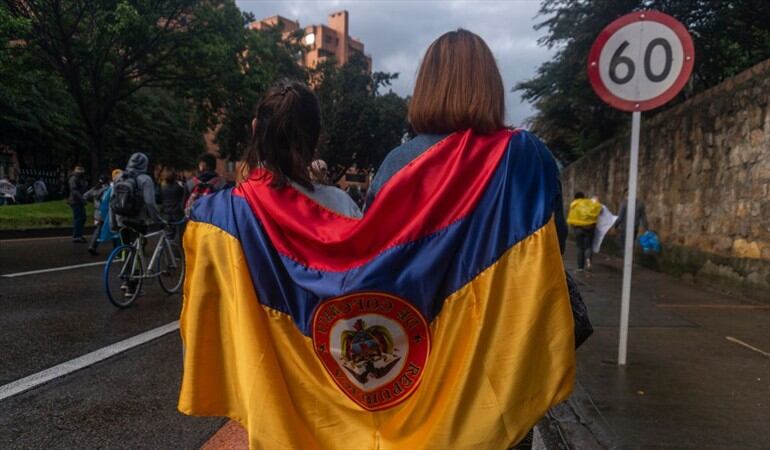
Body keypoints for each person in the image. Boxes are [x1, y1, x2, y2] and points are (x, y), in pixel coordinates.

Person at [179, 32, 575, 450]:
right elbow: (549, 253)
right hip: (497, 368)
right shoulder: (527, 158)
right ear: (491, 86)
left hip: (421, 375)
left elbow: (376, 275)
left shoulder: (398, 164)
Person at [111, 153, 165, 296]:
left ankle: (125, 280)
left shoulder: (119, 177)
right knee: (138, 251)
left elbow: (112, 201)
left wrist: (113, 222)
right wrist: (158, 220)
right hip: (137, 220)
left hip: (121, 220)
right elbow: (150, 203)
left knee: (126, 250)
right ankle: (133, 286)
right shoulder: (145, 179)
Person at [566, 192, 601, 271]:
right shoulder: (589, 203)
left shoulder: (574, 204)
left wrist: (573, 227)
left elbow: (571, 217)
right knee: (588, 246)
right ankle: (588, 261)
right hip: (590, 228)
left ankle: (580, 267)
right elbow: (597, 208)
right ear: (583, 197)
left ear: (575, 198)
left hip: (578, 229)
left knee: (580, 247)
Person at [614, 188, 648, 253]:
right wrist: (646, 228)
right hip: (635, 228)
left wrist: (615, 225)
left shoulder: (624, 203)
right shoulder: (640, 204)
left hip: (624, 228)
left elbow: (620, 218)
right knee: (631, 244)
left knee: (624, 245)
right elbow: (644, 218)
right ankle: (630, 255)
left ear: (625, 195)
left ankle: (625, 256)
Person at [84, 174, 111, 255]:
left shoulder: (95, 188)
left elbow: (85, 196)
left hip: (97, 212)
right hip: (105, 211)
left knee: (98, 229)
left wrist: (93, 202)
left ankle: (92, 246)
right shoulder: (108, 189)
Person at [158, 167, 186, 241]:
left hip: (166, 214)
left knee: (168, 235)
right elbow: (184, 195)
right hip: (177, 214)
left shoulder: (163, 188)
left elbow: (160, 199)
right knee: (180, 235)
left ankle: (168, 246)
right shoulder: (179, 188)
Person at [67, 164, 88, 243]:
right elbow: (74, 190)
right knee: (78, 218)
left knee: (82, 218)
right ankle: (76, 236)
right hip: (75, 201)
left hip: (79, 200)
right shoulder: (74, 178)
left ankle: (79, 234)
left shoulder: (80, 178)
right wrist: (82, 198)